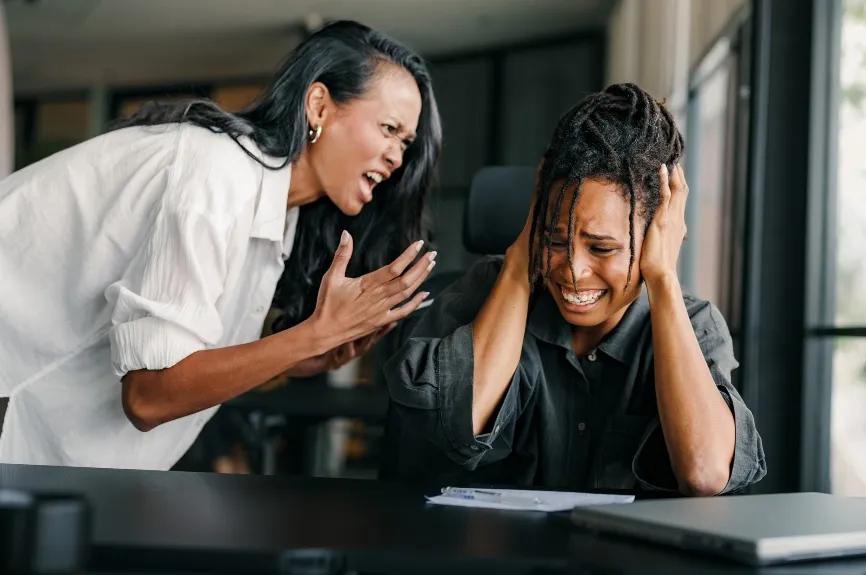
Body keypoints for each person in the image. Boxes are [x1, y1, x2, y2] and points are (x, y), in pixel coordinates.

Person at [0, 20, 440, 469]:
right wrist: (314, 334)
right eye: (389, 129)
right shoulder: (215, 174)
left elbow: (190, 368)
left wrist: (303, 355)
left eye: (405, 142)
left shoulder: (276, 215)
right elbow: (150, 394)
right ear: (319, 106)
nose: (398, 157)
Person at [384, 83, 766, 495]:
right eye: (554, 238)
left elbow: (705, 473)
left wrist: (664, 279)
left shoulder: (693, 323)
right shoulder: (486, 290)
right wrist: (520, 262)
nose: (572, 270)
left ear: (660, 233)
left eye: (601, 247)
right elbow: (459, 428)